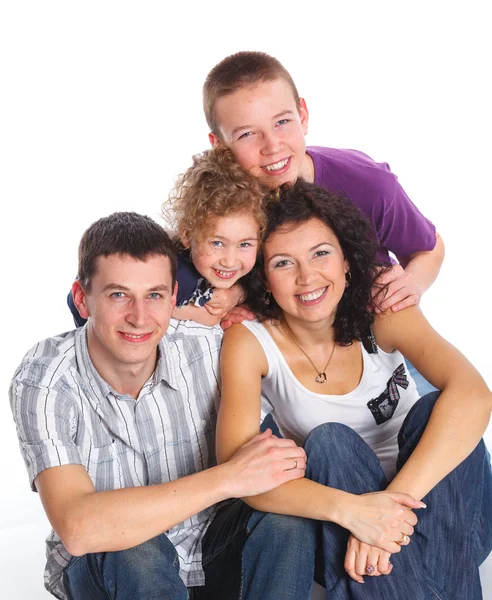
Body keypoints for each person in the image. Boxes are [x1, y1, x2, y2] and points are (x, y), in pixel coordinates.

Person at [9, 211, 308, 600]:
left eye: (154, 296)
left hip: (209, 545)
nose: (139, 317)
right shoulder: (46, 377)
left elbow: (307, 380)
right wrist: (230, 477)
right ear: (83, 300)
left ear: (173, 299)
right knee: (135, 550)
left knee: (287, 522)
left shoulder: (210, 350)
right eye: (119, 295)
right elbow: (78, 527)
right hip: (112, 565)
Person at [215, 180, 492, 599]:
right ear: (263, 279)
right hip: (344, 524)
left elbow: (475, 394)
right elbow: (239, 473)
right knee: (328, 442)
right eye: (284, 263)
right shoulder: (250, 341)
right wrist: (358, 513)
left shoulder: (382, 310)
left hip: (440, 505)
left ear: (346, 260)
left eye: (321, 253)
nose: (308, 277)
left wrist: (387, 512)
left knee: (435, 410)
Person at [202, 51, 444, 395]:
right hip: (296, 370)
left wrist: (411, 284)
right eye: (246, 135)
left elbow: (430, 247)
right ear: (219, 145)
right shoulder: (221, 210)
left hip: (384, 353)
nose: (272, 146)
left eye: (282, 122)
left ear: (303, 114)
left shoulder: (368, 184)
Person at [67, 149, 263, 329]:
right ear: (187, 235)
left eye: (244, 244)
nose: (230, 260)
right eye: (217, 243)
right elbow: (78, 298)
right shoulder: (177, 274)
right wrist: (195, 313)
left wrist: (235, 294)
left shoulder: (250, 270)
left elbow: (255, 286)